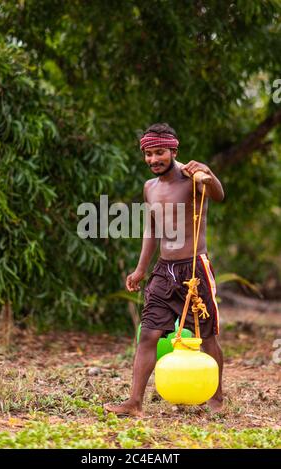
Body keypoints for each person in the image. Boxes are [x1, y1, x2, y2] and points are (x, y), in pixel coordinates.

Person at [104, 123, 225, 417]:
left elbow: (218, 195)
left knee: (206, 337)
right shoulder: (150, 187)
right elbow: (152, 230)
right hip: (164, 270)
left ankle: (217, 400)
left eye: (159, 152)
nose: (153, 159)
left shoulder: (192, 178)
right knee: (148, 334)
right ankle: (134, 403)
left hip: (194, 270)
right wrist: (140, 269)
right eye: (148, 154)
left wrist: (208, 172)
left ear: (173, 150)